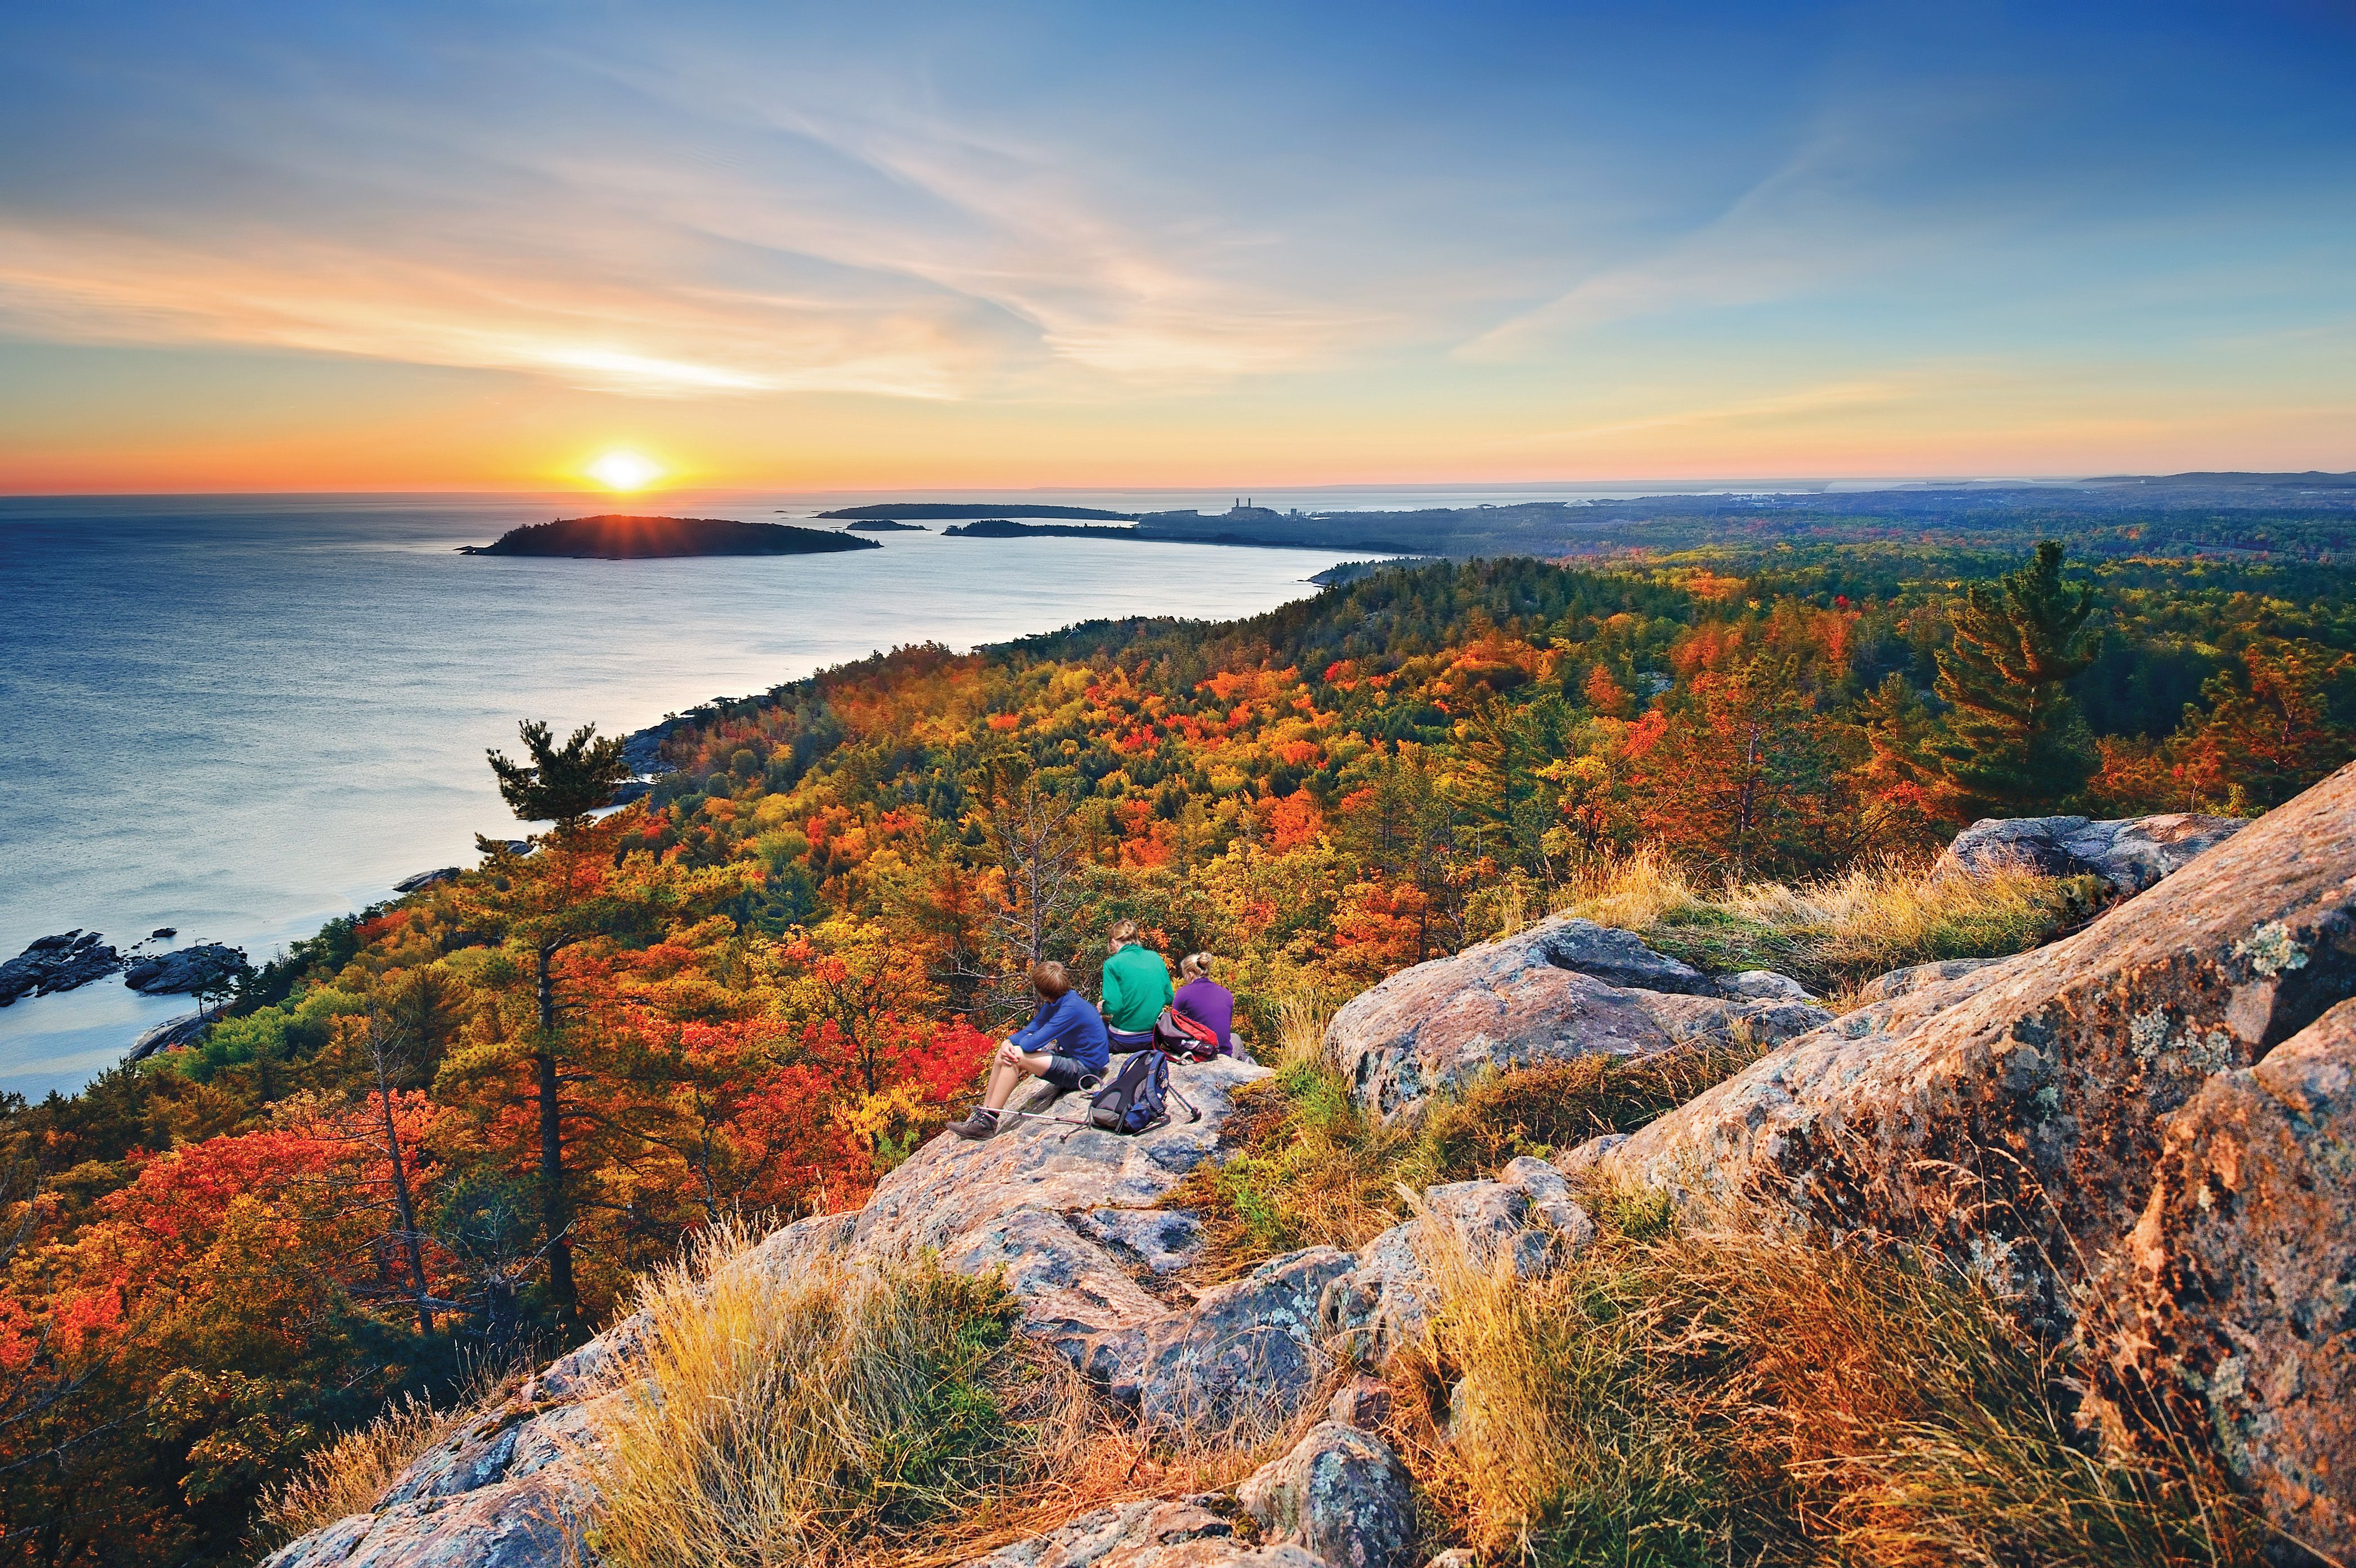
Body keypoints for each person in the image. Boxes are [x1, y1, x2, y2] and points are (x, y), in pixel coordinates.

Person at [946, 960, 1109, 1141]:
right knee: (1005, 1052)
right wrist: (1008, 1041)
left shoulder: (1070, 1009)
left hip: (1086, 1070)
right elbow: (1032, 1029)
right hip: (1073, 1058)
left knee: (1015, 1056)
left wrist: (1017, 1044)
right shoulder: (1058, 1002)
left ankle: (988, 1123)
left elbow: (1031, 1044)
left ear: (1041, 991)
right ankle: (984, 1115)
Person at [1098, 919, 1172, 1052]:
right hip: (1155, 1037)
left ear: (1114, 942)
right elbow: (1168, 997)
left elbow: (1114, 1006)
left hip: (1124, 1040)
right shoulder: (1155, 958)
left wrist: (1103, 1006)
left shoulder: (1112, 964)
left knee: (1092, 1026)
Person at [1171, 951, 1238, 1057]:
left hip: (1198, 1052)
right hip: (1223, 1053)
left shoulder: (1183, 993)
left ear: (1190, 975)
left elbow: (1174, 1028)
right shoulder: (1227, 994)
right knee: (1236, 1038)